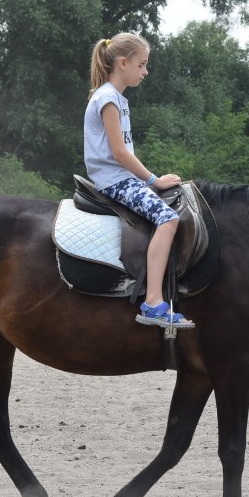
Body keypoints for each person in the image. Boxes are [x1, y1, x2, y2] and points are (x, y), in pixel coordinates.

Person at [84, 32, 194, 328]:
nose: (145, 72)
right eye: (142, 65)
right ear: (122, 63)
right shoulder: (108, 98)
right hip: (115, 179)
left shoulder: (116, 98)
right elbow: (120, 154)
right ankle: (154, 302)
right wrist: (154, 180)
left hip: (119, 176)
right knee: (168, 219)